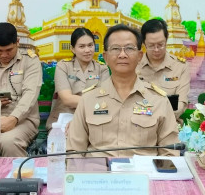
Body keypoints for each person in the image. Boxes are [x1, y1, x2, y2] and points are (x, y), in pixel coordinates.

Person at [66, 24, 179, 157]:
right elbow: (74, 152)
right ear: (106, 57)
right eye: (115, 49)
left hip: (143, 175)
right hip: (99, 175)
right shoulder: (88, 99)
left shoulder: (158, 100)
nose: (122, 54)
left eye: (129, 48)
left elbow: (170, 153)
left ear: (139, 56)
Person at [0, 23, 42, 157]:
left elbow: (30, 94)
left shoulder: (30, 62)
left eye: (9, 50)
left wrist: (13, 119)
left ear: (17, 42)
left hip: (23, 120)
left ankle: (20, 176)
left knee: (7, 142)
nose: (4, 55)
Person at [46, 27, 110, 131]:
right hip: (63, 117)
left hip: (92, 117)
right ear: (73, 49)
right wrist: (95, 102)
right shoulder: (63, 66)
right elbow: (67, 99)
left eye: (90, 45)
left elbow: (104, 98)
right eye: (82, 46)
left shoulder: (102, 68)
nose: (87, 50)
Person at [136, 19, 190, 122]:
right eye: (151, 45)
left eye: (160, 44)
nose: (156, 49)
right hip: (140, 128)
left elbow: (180, 104)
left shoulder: (180, 67)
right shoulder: (134, 67)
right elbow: (130, 105)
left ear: (166, 39)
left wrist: (148, 110)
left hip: (171, 128)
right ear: (143, 43)